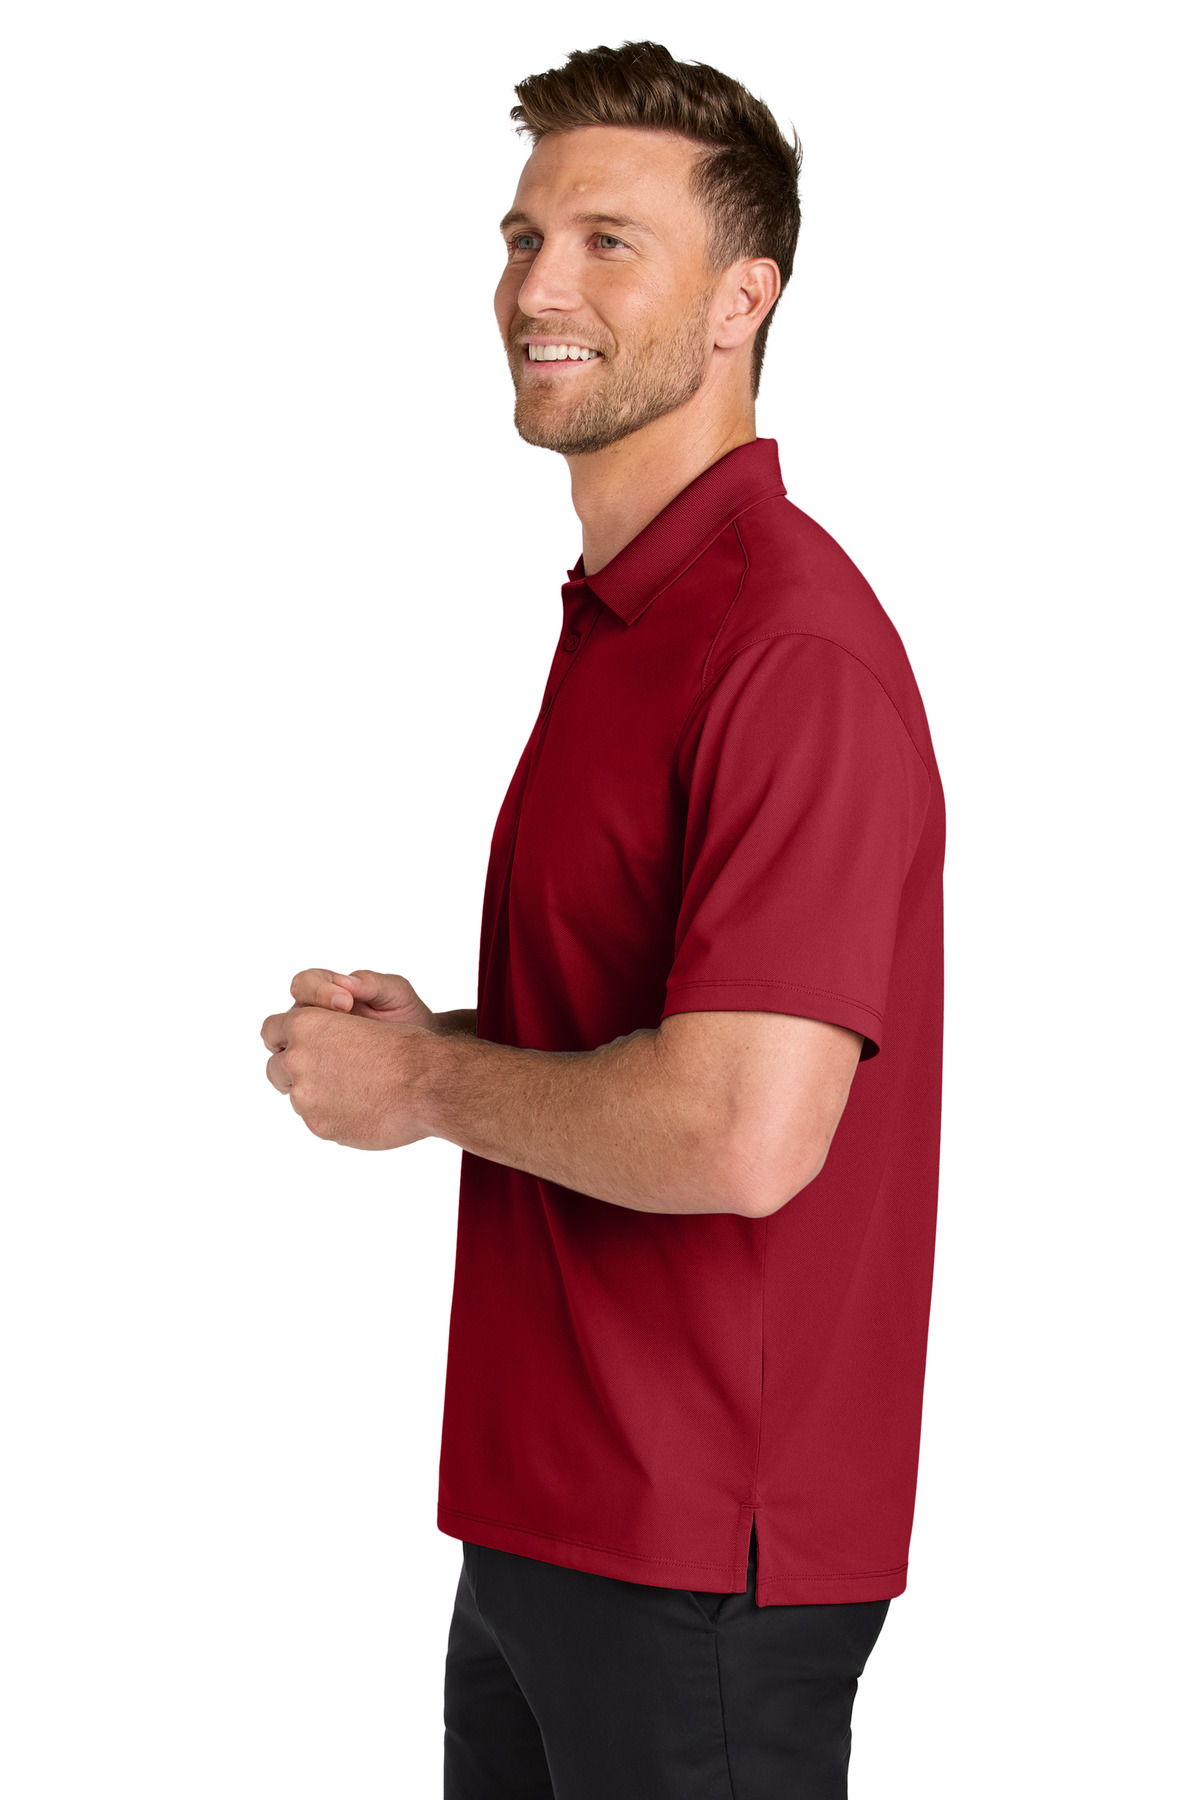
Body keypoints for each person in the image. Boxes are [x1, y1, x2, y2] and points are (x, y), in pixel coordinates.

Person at [260, 39, 945, 1799]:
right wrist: (443, 1041)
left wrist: (425, 1093)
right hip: (550, 1521)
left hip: (698, 1556)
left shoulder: (784, 648)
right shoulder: (633, 616)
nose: (536, 288)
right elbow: (665, 1023)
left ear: (743, 300)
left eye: (607, 243)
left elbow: (743, 1128)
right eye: (523, 236)